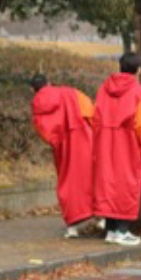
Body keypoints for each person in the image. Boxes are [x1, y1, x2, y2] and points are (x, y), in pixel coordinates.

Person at [93, 52, 141, 246]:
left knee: (107, 183)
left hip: (104, 139)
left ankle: (111, 230)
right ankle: (122, 230)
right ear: (137, 69)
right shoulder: (137, 90)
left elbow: (95, 116)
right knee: (127, 184)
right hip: (127, 141)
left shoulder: (104, 87)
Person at [30, 73, 95, 238]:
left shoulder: (36, 104)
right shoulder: (70, 92)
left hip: (62, 145)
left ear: (33, 89)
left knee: (68, 180)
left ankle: (72, 223)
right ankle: (99, 214)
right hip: (83, 137)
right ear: (49, 82)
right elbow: (90, 111)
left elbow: (42, 129)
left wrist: (55, 140)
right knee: (91, 175)